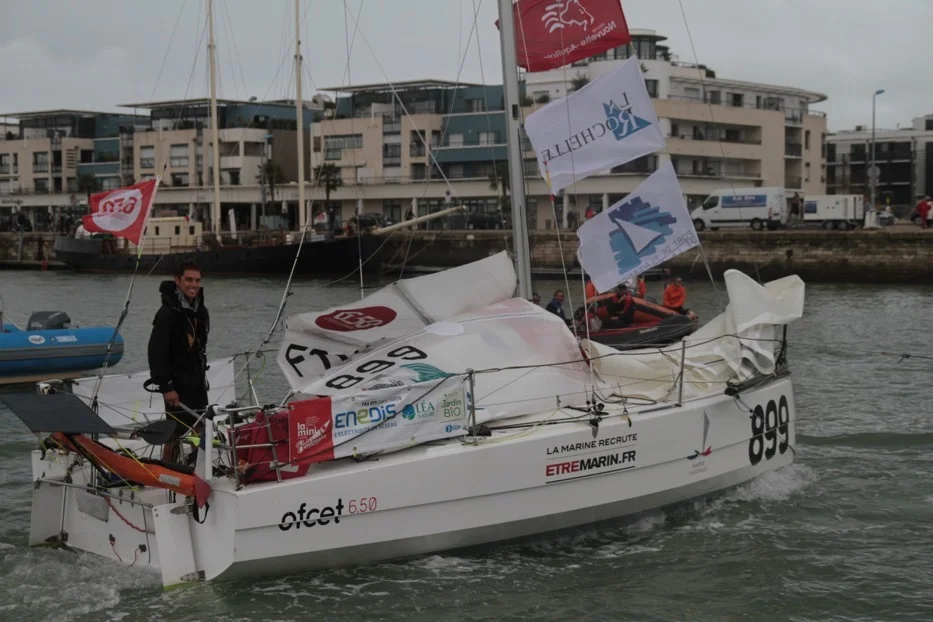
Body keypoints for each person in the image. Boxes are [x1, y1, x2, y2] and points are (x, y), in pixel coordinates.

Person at [148, 260, 210, 460]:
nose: (194, 285)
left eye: (197, 280)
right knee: (175, 431)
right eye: (189, 280)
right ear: (177, 281)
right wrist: (166, 387)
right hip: (176, 383)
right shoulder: (166, 314)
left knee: (200, 425)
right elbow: (156, 352)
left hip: (196, 379)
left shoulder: (201, 312)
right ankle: (168, 469)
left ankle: (199, 467)